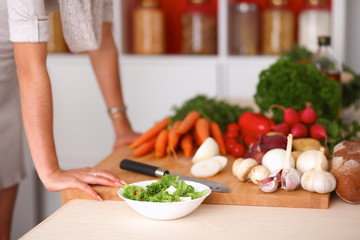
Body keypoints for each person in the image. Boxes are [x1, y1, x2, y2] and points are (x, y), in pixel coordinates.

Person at [0, 0, 139, 239]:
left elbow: (100, 37)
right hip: (20, 67)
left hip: (8, 82)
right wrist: (51, 171)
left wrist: (122, 127)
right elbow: (31, 69)